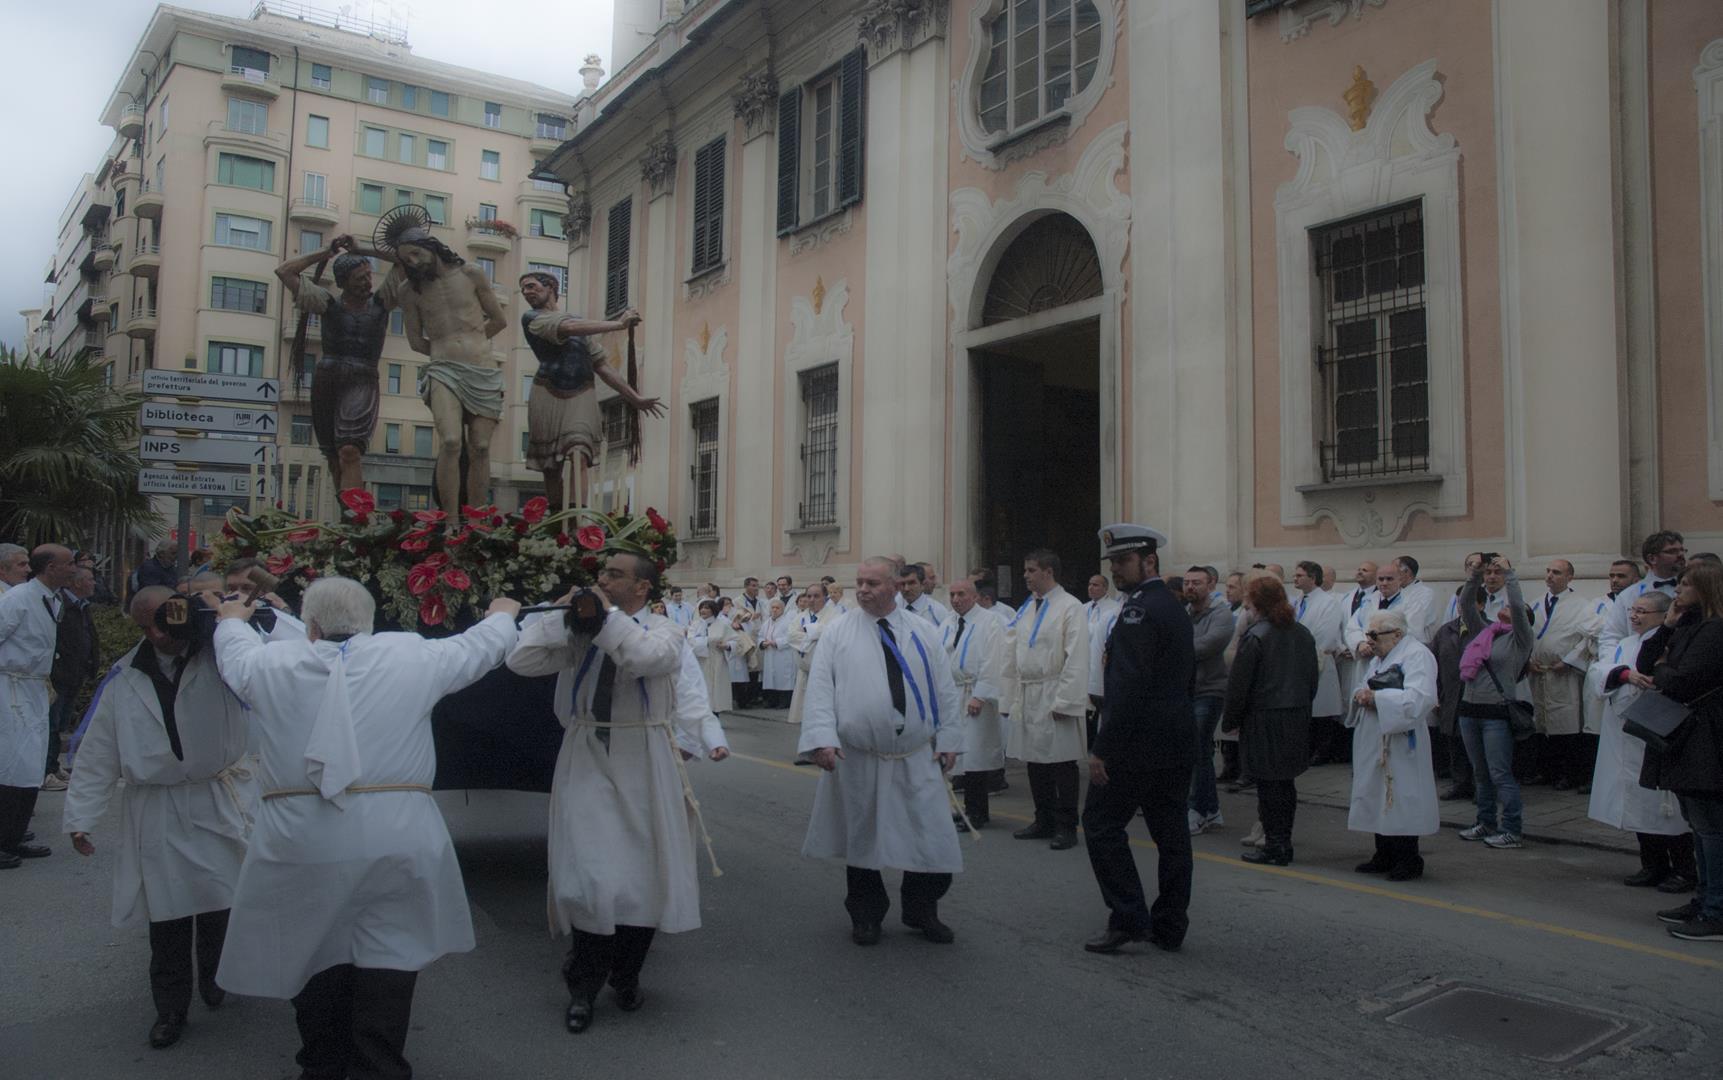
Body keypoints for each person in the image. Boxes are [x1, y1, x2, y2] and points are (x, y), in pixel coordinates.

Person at [211, 578, 520, 1079]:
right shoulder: (411, 655)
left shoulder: (270, 664)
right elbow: (480, 647)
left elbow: (235, 652)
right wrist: (504, 612)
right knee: (389, 955)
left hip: (301, 838)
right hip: (395, 835)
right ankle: (379, 1065)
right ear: (371, 622)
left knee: (311, 952)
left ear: (309, 628)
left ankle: (322, 1063)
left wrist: (230, 620)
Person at [507, 555, 727, 1031]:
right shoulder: (582, 633)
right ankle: (582, 985)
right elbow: (520, 661)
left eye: (614, 575)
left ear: (643, 589)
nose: (601, 580)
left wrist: (604, 616)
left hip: (643, 754)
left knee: (642, 875)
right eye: (601, 574)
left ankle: (627, 975)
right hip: (587, 752)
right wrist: (559, 617)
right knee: (590, 872)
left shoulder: (665, 632)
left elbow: (645, 658)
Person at [62, 586, 263, 1049]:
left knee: (220, 901)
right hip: (158, 808)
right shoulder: (125, 676)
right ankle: (170, 1009)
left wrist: (232, 618)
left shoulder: (226, 659)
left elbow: (276, 679)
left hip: (217, 797)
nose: (153, 635)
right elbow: (98, 752)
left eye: (161, 622)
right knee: (166, 915)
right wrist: (81, 817)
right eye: (143, 627)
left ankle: (217, 978)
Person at [799, 557, 962, 946]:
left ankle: (921, 908)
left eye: (872, 582)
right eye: (860, 582)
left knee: (929, 835)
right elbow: (820, 689)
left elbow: (945, 689)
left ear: (894, 585)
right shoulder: (839, 632)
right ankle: (866, 915)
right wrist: (822, 739)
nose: (864, 589)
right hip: (861, 756)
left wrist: (951, 740)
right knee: (863, 838)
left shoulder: (924, 631)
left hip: (914, 754)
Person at [1081, 524, 1195, 954]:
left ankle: (1128, 915)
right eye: (1111, 563)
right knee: (1171, 835)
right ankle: (1170, 924)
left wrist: (1102, 748)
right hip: (1174, 739)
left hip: (1136, 745)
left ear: (1149, 562)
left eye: (1123, 562)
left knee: (1100, 824)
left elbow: (1127, 689)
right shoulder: (1171, 606)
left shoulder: (1138, 612)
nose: (1115, 571)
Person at [386, 222, 509, 511]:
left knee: (480, 446)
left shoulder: (471, 273)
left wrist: (473, 343)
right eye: (407, 260)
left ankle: (477, 520)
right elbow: (416, 341)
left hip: (482, 368)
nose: (413, 262)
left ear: (430, 246)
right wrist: (447, 351)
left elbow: (499, 320)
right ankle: (451, 520)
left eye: (416, 254)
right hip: (443, 370)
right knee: (451, 441)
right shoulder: (409, 291)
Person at [518, 272, 660, 510]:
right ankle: (555, 523)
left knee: (578, 453)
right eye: (523, 290)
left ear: (551, 286)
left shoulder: (579, 326)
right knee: (550, 465)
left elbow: (602, 366)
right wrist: (619, 324)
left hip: (581, 393)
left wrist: (634, 398)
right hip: (547, 393)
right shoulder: (532, 318)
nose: (526, 292)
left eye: (531, 286)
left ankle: (575, 520)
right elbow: (569, 327)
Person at [1635, 563, 1723, 939]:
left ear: (1704, 589)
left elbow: (1681, 680)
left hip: (1707, 737)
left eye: (1686, 585)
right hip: (1685, 737)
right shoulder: (1688, 625)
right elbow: (1645, 663)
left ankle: (1716, 909)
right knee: (1699, 824)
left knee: (1711, 828)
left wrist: (1663, 670)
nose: (1678, 591)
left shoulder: (1715, 630)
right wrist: (1667, 627)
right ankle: (1704, 899)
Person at [1585, 591, 1695, 891]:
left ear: (1663, 615)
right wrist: (1622, 675)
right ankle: (1653, 865)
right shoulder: (1624, 644)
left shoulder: (1672, 641)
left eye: (1642, 612)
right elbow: (1598, 670)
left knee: (1666, 808)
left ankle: (1685, 869)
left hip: (1655, 733)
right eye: (1633, 610)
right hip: (1624, 735)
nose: (1634, 616)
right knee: (1636, 805)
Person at [277, 235, 404, 492]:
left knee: (349, 450)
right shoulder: (327, 303)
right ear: (343, 282)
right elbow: (284, 271)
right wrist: (324, 253)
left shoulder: (382, 303)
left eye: (369, 276)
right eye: (360, 279)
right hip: (328, 379)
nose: (368, 283)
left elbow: (403, 260)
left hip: (362, 379)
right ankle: (348, 518)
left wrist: (363, 249)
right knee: (334, 458)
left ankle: (356, 518)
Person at [1223, 576, 1319, 867]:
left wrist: (1231, 720)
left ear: (1256, 603)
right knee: (1284, 784)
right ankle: (1281, 841)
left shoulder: (1256, 635)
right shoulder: (1301, 633)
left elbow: (1240, 685)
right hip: (1295, 714)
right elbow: (1312, 678)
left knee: (1269, 786)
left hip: (1265, 717)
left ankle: (1276, 846)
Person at [1004, 549, 1091, 851]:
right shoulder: (1028, 607)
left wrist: (1066, 700)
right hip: (1030, 691)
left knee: (1062, 762)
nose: (1025, 576)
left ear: (1048, 572)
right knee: (1035, 760)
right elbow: (1015, 651)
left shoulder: (1070, 607)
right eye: (1025, 570)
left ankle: (1067, 824)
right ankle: (1043, 818)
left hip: (1055, 690)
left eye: (1031, 570)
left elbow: (1077, 655)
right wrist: (1012, 696)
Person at [1347, 609, 1440, 880]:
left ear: (1397, 634)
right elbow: (1362, 685)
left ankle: (1408, 858)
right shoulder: (1381, 657)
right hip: (1375, 734)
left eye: (1374, 635)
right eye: (1368, 635)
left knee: (1401, 796)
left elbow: (1420, 698)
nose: (1370, 641)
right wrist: (1361, 695)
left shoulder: (1417, 655)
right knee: (1377, 793)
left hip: (1400, 740)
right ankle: (1383, 852)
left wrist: (1377, 699)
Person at [0, 544, 76, 867]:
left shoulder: (51, 599)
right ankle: (3, 840)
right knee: (12, 763)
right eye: (68, 563)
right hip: (12, 687)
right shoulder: (17, 600)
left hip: (33, 687)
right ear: (49, 568)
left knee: (31, 764)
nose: (74, 569)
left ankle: (14, 837)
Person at [1455, 557, 1533, 849]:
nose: (1505, 609)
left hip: (1496, 714)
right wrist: (1475, 575)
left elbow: (1517, 604)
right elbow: (1465, 604)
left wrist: (1509, 574)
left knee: (1500, 773)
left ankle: (1512, 828)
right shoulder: (1484, 634)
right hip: (1469, 710)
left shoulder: (1520, 639)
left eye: (1513, 610)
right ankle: (1485, 822)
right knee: (1480, 772)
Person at [940, 577, 1014, 830]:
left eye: (961, 594)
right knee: (958, 755)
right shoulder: (949, 622)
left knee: (975, 756)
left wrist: (980, 694)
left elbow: (995, 659)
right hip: (953, 692)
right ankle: (962, 809)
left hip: (975, 693)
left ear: (974, 596)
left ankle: (977, 812)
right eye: (952, 595)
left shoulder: (991, 621)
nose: (956, 599)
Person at [1527, 559, 1591, 789]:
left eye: (1556, 572)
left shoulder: (1582, 605)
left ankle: (1569, 773)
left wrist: (1569, 660)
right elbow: (1526, 635)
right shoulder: (1535, 604)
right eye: (1548, 571)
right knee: (1541, 724)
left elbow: (1587, 639)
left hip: (1564, 673)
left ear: (1569, 577)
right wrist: (1527, 661)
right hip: (1538, 672)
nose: (1550, 576)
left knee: (1566, 723)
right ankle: (1546, 771)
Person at [1184, 567, 1234, 834]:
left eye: (1197, 582)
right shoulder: (1186, 613)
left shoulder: (1222, 614)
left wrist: (1177, 648)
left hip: (1210, 690)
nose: (1190, 587)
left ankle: (1196, 809)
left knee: (1196, 749)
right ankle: (1211, 809)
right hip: (1188, 690)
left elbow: (1208, 645)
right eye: (1188, 582)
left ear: (1211, 584)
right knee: (1200, 751)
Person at [45, 565, 98, 788]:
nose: (94, 583)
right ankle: (45, 770)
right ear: (76, 583)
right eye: (90, 579)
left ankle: (53, 766)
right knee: (52, 725)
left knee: (61, 724)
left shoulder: (81, 606)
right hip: (61, 675)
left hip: (75, 674)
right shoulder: (62, 605)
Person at [1292, 562, 1347, 768]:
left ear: (1313, 578)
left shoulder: (1328, 602)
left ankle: (1321, 750)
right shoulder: (1298, 601)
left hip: (1318, 659)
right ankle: (1306, 749)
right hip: (1297, 662)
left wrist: (1306, 655)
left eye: (1299, 575)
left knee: (1321, 709)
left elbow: (1327, 633)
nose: (1295, 579)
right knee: (1307, 708)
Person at [1601, 531, 1685, 656]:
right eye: (1672, 551)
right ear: (1652, 559)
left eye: (1682, 550)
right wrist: (1620, 670)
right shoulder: (1629, 595)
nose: (1680, 555)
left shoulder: (1692, 590)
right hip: (1639, 664)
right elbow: (1612, 636)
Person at [787, 582, 837, 727]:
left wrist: (808, 631)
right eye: (809, 596)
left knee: (823, 716)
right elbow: (791, 635)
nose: (812, 599)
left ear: (825, 597)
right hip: (804, 671)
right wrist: (813, 636)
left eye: (816, 596)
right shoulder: (800, 616)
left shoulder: (834, 615)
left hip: (824, 672)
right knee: (804, 717)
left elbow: (831, 634)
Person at [1082, 574, 1121, 749]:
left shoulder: (1112, 609)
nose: (1091, 588)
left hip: (1100, 665)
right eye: (1090, 584)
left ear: (1105, 588)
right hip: (1084, 664)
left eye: (1096, 585)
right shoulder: (1083, 608)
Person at [688, 599, 733, 714]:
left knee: (716, 687)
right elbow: (691, 641)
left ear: (713, 610)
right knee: (703, 686)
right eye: (702, 608)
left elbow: (735, 640)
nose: (703, 610)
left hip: (717, 659)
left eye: (707, 608)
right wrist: (707, 641)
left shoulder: (722, 625)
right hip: (702, 660)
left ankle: (715, 711)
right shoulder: (695, 625)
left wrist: (727, 645)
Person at [758, 598, 796, 709]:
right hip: (769, 654)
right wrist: (762, 643)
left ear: (782, 610)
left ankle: (784, 702)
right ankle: (771, 701)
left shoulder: (788, 622)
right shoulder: (767, 622)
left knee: (783, 678)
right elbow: (760, 635)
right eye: (772, 607)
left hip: (782, 654)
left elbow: (791, 637)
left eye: (777, 608)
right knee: (771, 678)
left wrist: (776, 643)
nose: (774, 610)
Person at [1394, 556, 1440, 644]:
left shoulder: (1424, 593)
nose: (1390, 573)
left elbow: (1413, 626)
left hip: (1415, 644)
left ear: (1407, 572)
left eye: (1394, 569)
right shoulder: (1395, 592)